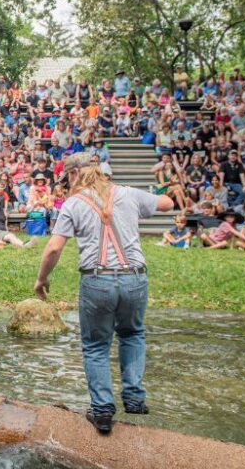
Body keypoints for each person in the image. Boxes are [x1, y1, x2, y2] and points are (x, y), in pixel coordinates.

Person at [33, 153, 174, 434]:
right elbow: (168, 203)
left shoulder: (73, 204)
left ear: (73, 175)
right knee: (132, 334)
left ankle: (102, 411)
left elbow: (53, 248)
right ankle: (134, 398)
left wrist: (41, 280)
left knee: (96, 346)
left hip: (97, 281)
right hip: (135, 277)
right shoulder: (128, 193)